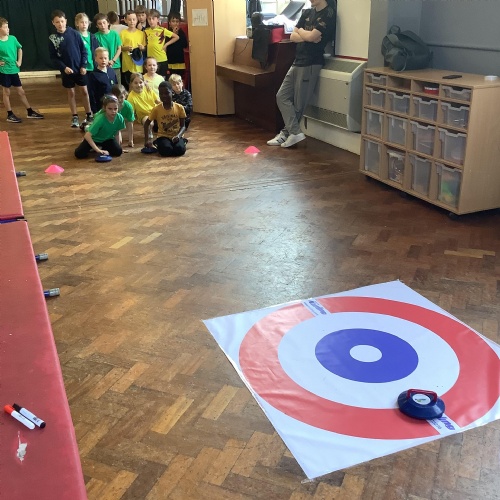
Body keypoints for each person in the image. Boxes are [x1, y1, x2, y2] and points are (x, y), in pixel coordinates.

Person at [267, 0, 337, 148]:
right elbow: (293, 36)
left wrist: (302, 33)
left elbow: (311, 36)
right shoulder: (307, 12)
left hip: (311, 63)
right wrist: (307, 36)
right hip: (297, 60)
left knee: (299, 104)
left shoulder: (329, 13)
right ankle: (294, 132)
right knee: (281, 96)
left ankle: (288, 133)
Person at [49, 9, 93, 128]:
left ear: (66, 21)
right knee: (71, 92)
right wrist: (64, 68)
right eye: (57, 22)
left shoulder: (75, 34)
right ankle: (74, 116)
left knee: (84, 91)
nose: (60, 24)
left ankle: (89, 114)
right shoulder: (52, 38)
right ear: (53, 23)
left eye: (62, 21)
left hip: (79, 69)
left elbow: (84, 51)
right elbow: (53, 58)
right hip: (67, 72)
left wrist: (83, 66)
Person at [0, 17, 44, 122]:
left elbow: (19, 49)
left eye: (8, 27)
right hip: (4, 71)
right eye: (5, 27)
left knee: (21, 91)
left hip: (14, 70)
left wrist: (19, 62)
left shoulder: (12, 39)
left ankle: (30, 112)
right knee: (6, 92)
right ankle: (10, 114)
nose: (8, 29)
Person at [74, 94, 125, 158]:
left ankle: (99, 146)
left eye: (115, 109)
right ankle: (86, 127)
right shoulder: (100, 119)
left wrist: (118, 146)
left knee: (118, 152)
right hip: (94, 139)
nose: (113, 111)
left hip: (107, 139)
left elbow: (117, 133)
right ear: (105, 108)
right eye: (110, 109)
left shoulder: (120, 118)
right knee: (79, 154)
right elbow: (87, 136)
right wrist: (98, 150)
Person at [144, 80, 186, 157]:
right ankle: (158, 143)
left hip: (176, 135)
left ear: (172, 92)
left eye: (166, 93)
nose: (164, 96)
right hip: (163, 136)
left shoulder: (180, 108)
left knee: (180, 150)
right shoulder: (156, 109)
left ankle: (182, 141)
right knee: (166, 150)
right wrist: (146, 140)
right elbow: (146, 124)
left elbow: (183, 126)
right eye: (161, 94)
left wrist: (178, 136)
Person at [127, 72, 159, 143]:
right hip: (144, 115)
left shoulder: (148, 89)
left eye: (140, 82)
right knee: (149, 122)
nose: (138, 85)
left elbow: (157, 101)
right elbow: (131, 112)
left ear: (143, 82)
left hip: (155, 111)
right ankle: (148, 131)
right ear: (131, 84)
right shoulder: (131, 97)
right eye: (135, 83)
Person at [145, 9, 178, 78]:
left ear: (157, 19)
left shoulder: (162, 30)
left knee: (162, 80)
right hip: (151, 61)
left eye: (153, 19)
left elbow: (176, 37)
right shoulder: (146, 31)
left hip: (161, 59)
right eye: (149, 19)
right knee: (151, 78)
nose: (151, 21)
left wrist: (166, 45)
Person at [120, 10, 146, 90]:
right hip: (127, 64)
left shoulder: (141, 33)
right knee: (129, 85)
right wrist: (125, 48)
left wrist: (142, 48)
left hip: (138, 64)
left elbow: (144, 48)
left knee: (139, 85)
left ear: (137, 20)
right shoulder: (122, 33)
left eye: (134, 19)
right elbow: (119, 48)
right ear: (125, 20)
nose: (132, 21)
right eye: (129, 19)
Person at [94, 12, 122, 85]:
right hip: (102, 66)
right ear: (96, 25)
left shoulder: (115, 34)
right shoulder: (95, 36)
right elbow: (97, 52)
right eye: (100, 24)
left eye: (104, 23)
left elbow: (119, 48)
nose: (102, 25)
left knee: (117, 86)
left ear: (108, 23)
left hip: (115, 65)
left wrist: (113, 60)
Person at [87, 47, 117, 114]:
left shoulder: (111, 71)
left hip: (113, 105)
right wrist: (94, 110)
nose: (103, 60)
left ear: (108, 59)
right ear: (95, 59)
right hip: (101, 107)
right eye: (101, 58)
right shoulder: (93, 75)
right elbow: (91, 94)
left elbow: (116, 87)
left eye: (105, 58)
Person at [166, 12, 188, 81]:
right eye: (173, 21)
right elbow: (165, 44)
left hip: (179, 60)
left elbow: (185, 45)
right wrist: (173, 35)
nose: (175, 23)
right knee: (171, 79)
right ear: (169, 23)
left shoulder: (181, 32)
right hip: (170, 60)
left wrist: (178, 35)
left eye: (177, 21)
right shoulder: (167, 32)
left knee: (179, 79)